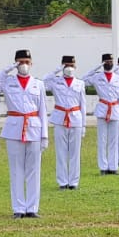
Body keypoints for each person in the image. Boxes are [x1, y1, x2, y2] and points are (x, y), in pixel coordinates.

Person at [0, 48, 48, 218]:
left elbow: (42, 110)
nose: (24, 65)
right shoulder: (8, 82)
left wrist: (44, 136)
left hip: (34, 127)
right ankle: (18, 208)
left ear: (31, 63)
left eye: (26, 62)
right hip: (14, 128)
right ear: (16, 64)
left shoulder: (38, 84)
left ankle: (32, 207)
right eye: (20, 62)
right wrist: (8, 69)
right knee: (16, 169)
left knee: (34, 170)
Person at [43, 55, 86, 189]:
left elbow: (83, 105)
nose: (69, 68)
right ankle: (62, 181)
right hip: (60, 118)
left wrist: (83, 124)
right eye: (66, 65)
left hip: (75, 117)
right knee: (61, 152)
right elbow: (43, 82)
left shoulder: (80, 83)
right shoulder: (55, 82)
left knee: (75, 152)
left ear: (75, 66)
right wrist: (57, 70)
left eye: (71, 65)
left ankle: (73, 182)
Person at [84, 53, 119, 175]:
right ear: (102, 63)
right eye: (106, 61)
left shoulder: (118, 78)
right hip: (102, 109)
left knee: (114, 140)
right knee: (102, 139)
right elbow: (83, 79)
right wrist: (96, 68)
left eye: (110, 61)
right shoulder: (97, 77)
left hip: (115, 109)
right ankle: (103, 167)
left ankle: (113, 166)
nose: (108, 63)